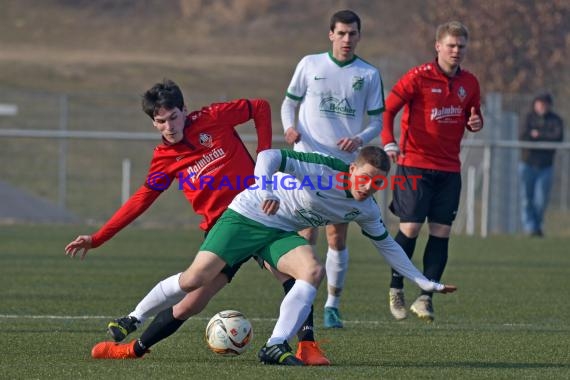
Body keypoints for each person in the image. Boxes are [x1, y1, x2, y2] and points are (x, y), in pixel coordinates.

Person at [84, 147, 457, 366]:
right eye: (365, 178)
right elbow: (269, 154)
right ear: (353, 169)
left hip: (277, 234)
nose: (369, 187)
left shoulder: (366, 209)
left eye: (378, 183)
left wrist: (423, 281)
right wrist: (266, 188)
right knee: (193, 287)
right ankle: (133, 329)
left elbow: (389, 246)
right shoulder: (325, 169)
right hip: (247, 217)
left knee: (311, 270)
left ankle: (274, 344)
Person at [64, 79, 331, 365]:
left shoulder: (212, 118)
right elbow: (141, 200)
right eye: (161, 121)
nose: (169, 126)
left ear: (185, 110)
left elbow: (259, 108)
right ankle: (132, 349)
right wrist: (98, 238)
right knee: (190, 302)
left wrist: (263, 164)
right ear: (154, 124)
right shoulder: (165, 160)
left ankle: (307, 346)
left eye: (174, 117)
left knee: (300, 272)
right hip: (224, 228)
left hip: (263, 213)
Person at [281, 9, 385, 328]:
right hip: (307, 161)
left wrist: (359, 138)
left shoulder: (368, 74)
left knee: (336, 236)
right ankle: (301, 299)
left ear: (359, 36)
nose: (347, 39)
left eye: (352, 33)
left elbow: (378, 120)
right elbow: (289, 103)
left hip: (343, 167)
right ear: (331, 34)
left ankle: (332, 305)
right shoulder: (310, 64)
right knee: (304, 231)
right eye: (341, 33)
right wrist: (289, 128)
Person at [381, 21, 483, 322]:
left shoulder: (470, 83)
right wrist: (389, 141)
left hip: (449, 168)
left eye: (461, 46)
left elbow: (473, 117)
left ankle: (425, 298)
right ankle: (396, 286)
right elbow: (388, 109)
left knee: (441, 232)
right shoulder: (419, 77)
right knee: (410, 228)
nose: (456, 51)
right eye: (451, 45)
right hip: (415, 164)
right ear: (438, 46)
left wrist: (476, 123)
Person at [519, 93, 564, 237]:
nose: (542, 106)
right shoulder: (528, 118)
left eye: (544, 103)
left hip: (546, 166)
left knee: (541, 199)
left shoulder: (555, 120)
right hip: (527, 164)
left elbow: (557, 137)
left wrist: (538, 135)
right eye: (539, 103)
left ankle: (537, 226)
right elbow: (523, 135)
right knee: (526, 199)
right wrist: (536, 137)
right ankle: (530, 228)